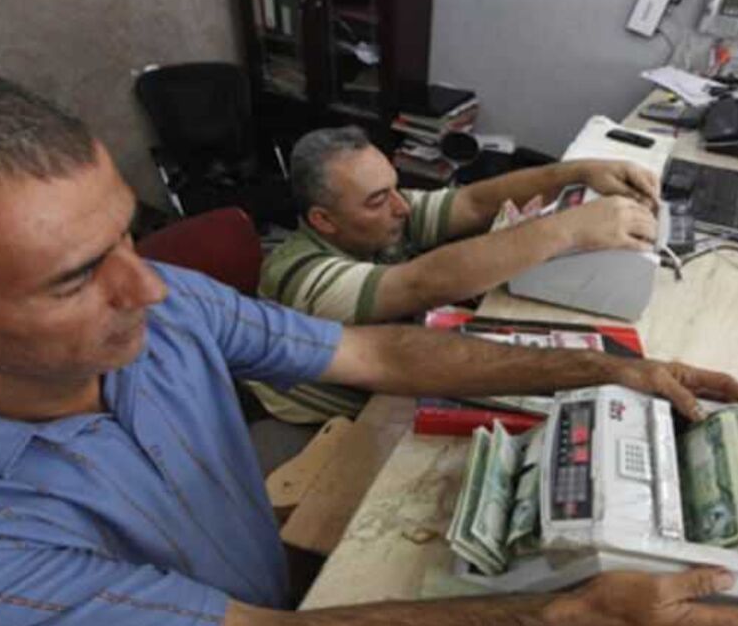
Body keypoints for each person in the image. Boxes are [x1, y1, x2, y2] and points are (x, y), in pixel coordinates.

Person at [0, 57, 738, 626]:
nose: (150, 286)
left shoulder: (162, 306)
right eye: (76, 276)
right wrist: (573, 613)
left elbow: (377, 354)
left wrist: (611, 369)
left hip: (268, 596)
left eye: (125, 231)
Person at [253, 126, 663, 423]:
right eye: (378, 199)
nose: (402, 206)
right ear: (323, 221)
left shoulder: (388, 214)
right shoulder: (297, 275)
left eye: (395, 188)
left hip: (386, 374)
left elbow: (473, 201)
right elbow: (420, 282)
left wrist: (576, 173)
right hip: (318, 423)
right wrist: (570, 228)